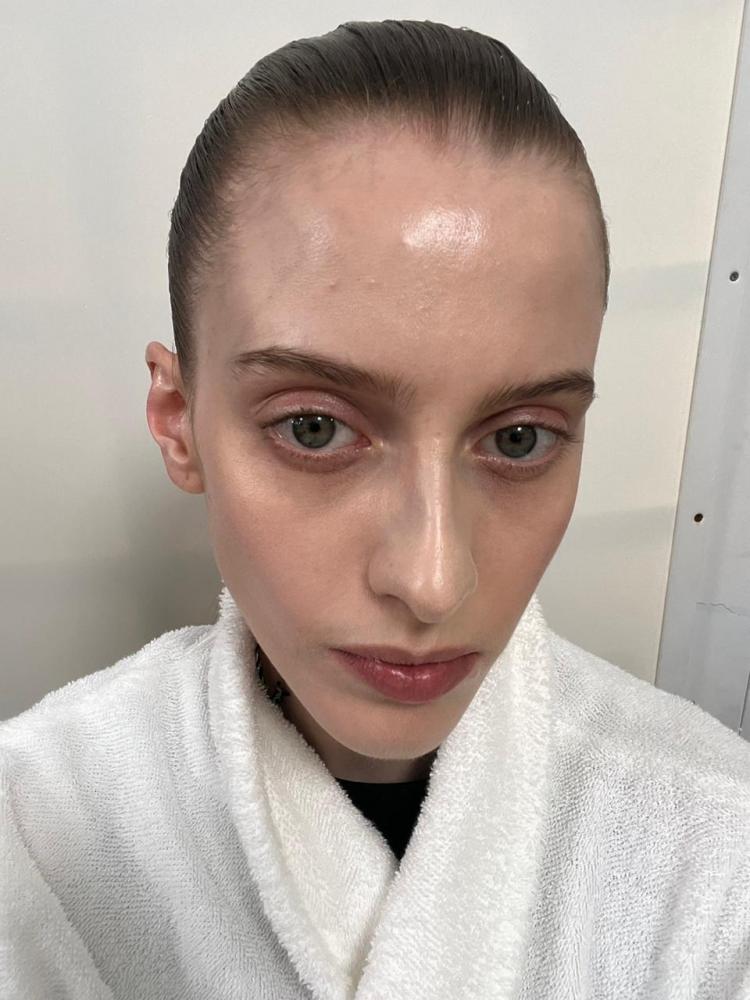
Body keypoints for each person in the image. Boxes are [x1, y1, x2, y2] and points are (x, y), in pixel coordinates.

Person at [2, 18, 749, 1000]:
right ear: (179, 423)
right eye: (315, 428)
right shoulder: (35, 827)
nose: (433, 580)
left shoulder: (719, 845)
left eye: (519, 439)